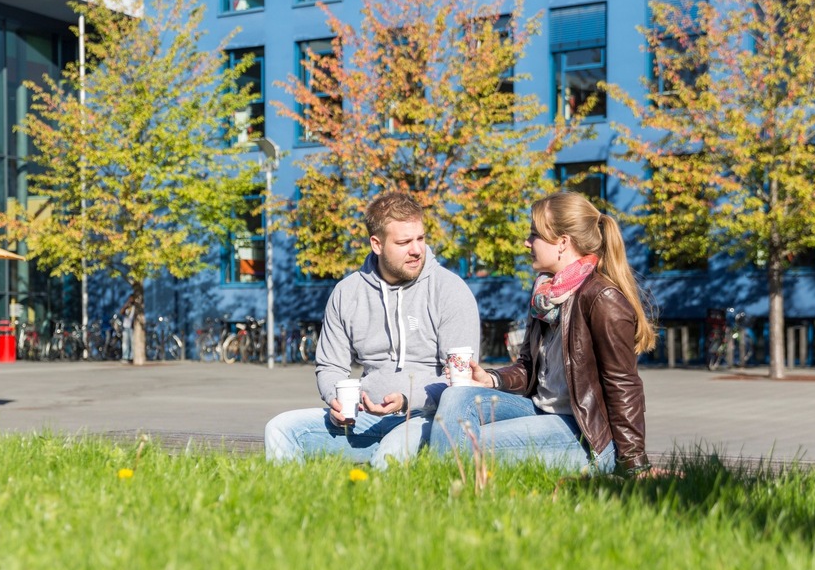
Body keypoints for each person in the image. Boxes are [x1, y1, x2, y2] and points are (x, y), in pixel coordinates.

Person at [429, 190, 656, 475]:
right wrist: (490, 378)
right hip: (541, 410)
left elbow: (623, 385)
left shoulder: (602, 298)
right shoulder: (545, 295)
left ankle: (443, 490)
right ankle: (443, 482)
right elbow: (528, 368)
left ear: (562, 242)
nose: (527, 242)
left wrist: (635, 464)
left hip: (584, 433)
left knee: (469, 440)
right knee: (456, 397)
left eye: (534, 234)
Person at [264, 191, 480, 469]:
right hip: (364, 419)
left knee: (388, 457)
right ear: (377, 244)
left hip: (428, 419)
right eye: (404, 242)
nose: (416, 250)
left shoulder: (450, 290)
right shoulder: (347, 292)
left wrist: (406, 401)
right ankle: (291, 509)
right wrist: (336, 402)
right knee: (280, 428)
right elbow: (330, 365)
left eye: (420, 238)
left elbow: (461, 383)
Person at [120, 294, 136, 364]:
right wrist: (126, 305)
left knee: (132, 342)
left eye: (132, 299)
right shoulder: (127, 307)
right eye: (130, 299)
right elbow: (121, 312)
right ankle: (125, 356)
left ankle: (132, 357)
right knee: (125, 343)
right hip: (126, 326)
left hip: (132, 327)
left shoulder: (135, 307)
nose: (131, 300)